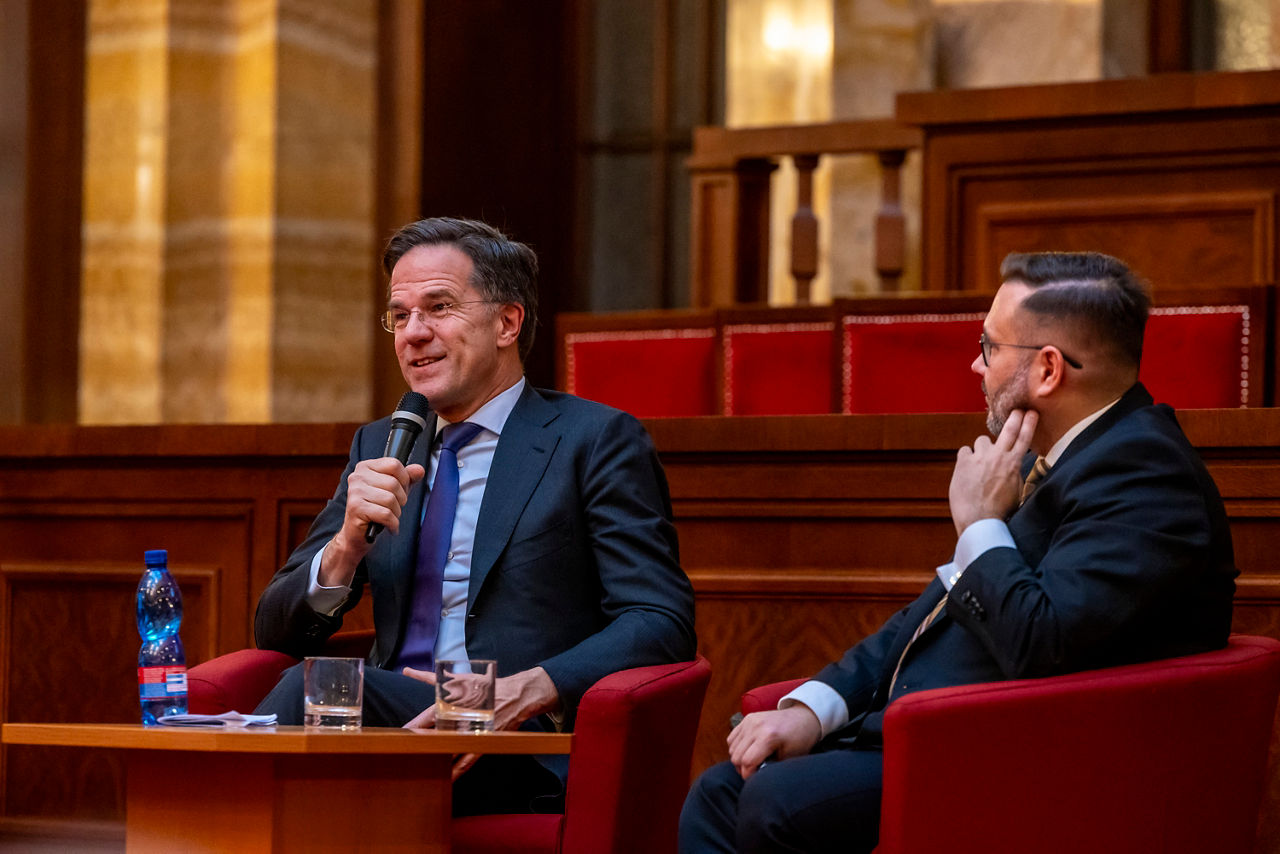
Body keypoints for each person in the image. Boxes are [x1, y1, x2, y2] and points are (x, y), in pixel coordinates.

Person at [679, 251, 1237, 853]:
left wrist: (979, 525)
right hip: (943, 740)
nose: (976, 363)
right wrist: (817, 707)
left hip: (1024, 770)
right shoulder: (1058, 458)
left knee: (775, 801)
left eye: (989, 345)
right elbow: (933, 618)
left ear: (1049, 369)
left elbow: (1041, 643)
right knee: (719, 794)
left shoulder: (1147, 476)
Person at [254, 216, 697, 814]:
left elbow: (660, 620)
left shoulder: (592, 440)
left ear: (507, 323)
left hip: (515, 741)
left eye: (438, 307)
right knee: (303, 697)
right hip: (395, 723)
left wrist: (524, 691)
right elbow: (274, 631)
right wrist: (344, 549)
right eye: (400, 315)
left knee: (296, 702)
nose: (413, 333)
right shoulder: (383, 444)